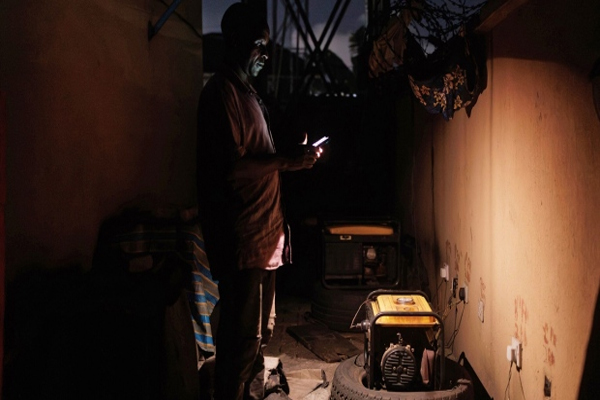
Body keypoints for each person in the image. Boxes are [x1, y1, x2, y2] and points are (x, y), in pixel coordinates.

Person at [196, 3, 322, 400]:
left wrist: (289, 152)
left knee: (260, 334)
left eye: (267, 46)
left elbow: (258, 158)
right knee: (239, 338)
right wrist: (287, 161)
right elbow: (232, 169)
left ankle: (247, 391)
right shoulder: (221, 95)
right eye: (257, 45)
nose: (265, 55)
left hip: (265, 238)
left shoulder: (250, 95)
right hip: (243, 241)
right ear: (234, 43)